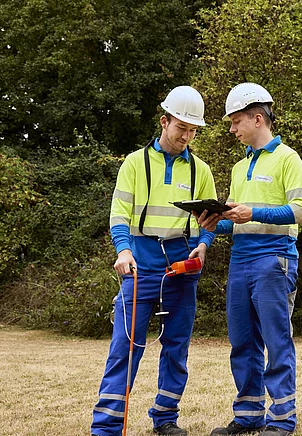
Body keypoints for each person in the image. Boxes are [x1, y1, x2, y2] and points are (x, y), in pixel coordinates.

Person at [91, 85, 218, 436]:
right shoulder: (134, 163)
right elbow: (119, 214)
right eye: (182, 128)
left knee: (177, 346)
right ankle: (106, 427)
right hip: (140, 262)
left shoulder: (201, 170)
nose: (187, 136)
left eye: (193, 131)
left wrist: (204, 244)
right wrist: (123, 250)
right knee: (125, 348)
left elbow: (208, 221)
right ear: (164, 122)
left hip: (181, 264)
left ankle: (165, 418)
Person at [197, 83, 302, 436]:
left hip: (274, 259)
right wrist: (210, 230)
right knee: (242, 341)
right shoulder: (237, 167)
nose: (232, 130)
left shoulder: (288, 159)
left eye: (236, 122)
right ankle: (248, 415)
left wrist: (254, 212)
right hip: (240, 261)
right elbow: (237, 220)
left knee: (276, 341)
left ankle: (281, 419)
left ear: (257, 118)